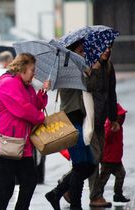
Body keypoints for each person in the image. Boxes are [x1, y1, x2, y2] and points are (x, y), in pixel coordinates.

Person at [0, 53, 49, 210]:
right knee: (6, 184)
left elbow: (33, 105)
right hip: (4, 143)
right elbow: (23, 109)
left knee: (30, 179)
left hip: (20, 143)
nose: (35, 73)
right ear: (23, 68)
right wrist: (41, 118)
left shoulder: (26, 85)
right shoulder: (8, 83)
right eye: (33, 69)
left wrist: (43, 92)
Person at [45, 40, 97, 210]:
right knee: (81, 165)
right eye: (81, 51)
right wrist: (89, 72)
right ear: (73, 52)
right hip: (70, 121)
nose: (83, 54)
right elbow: (88, 86)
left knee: (89, 164)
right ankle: (74, 204)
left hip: (77, 120)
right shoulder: (69, 69)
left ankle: (56, 193)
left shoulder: (74, 67)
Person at [87, 44, 119, 208]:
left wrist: (113, 118)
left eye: (109, 47)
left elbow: (111, 93)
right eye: (103, 48)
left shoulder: (109, 67)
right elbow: (88, 87)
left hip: (100, 120)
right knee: (95, 156)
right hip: (89, 119)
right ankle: (95, 196)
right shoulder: (90, 66)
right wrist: (93, 70)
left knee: (97, 157)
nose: (107, 50)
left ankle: (66, 185)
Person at [92, 103, 130, 203]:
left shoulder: (119, 126)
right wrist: (111, 130)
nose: (120, 118)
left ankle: (118, 194)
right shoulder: (109, 124)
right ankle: (97, 196)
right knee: (103, 178)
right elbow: (105, 138)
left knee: (121, 174)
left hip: (116, 158)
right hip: (108, 158)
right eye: (119, 116)